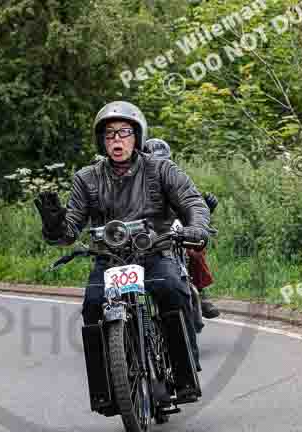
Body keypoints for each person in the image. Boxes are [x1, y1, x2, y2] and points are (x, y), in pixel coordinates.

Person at [34, 101, 210, 376]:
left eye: (124, 132)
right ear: (101, 141)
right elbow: (69, 233)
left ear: (137, 136)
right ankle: (108, 383)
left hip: (154, 253)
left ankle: (184, 369)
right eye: (109, 134)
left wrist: (196, 227)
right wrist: (55, 226)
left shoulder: (162, 169)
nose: (117, 139)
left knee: (173, 289)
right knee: (92, 305)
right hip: (110, 260)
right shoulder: (86, 178)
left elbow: (192, 202)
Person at [143, 138, 221, 319]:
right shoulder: (135, 183)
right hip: (144, 234)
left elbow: (190, 203)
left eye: (164, 160)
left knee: (194, 250)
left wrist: (206, 208)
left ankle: (200, 293)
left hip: (175, 228)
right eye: (154, 160)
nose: (159, 164)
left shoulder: (174, 177)